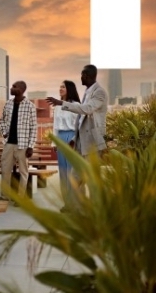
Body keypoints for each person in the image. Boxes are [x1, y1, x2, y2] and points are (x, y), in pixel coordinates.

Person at [46, 64, 108, 210]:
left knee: (93, 180)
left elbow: (86, 110)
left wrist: (61, 103)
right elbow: (80, 121)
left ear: (87, 76)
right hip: (80, 142)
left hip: (92, 143)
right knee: (74, 178)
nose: (80, 77)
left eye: (82, 75)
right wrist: (75, 139)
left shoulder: (99, 92)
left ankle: (95, 211)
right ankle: (75, 206)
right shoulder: (87, 92)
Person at [0, 80, 37, 204]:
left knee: (23, 172)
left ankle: (20, 199)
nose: (11, 88)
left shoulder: (30, 106)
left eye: (14, 87)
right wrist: (4, 132)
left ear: (20, 89)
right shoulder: (8, 104)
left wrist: (31, 146)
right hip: (8, 144)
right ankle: (5, 196)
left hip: (23, 145)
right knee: (5, 170)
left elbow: (34, 127)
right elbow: (2, 120)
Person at [51, 80, 80, 213]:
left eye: (63, 86)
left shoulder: (76, 105)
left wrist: (74, 140)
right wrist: (54, 142)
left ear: (69, 89)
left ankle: (73, 203)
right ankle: (66, 203)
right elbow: (55, 126)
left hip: (72, 139)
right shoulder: (57, 106)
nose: (60, 88)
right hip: (61, 139)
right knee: (62, 172)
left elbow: (79, 126)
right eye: (60, 86)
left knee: (71, 173)